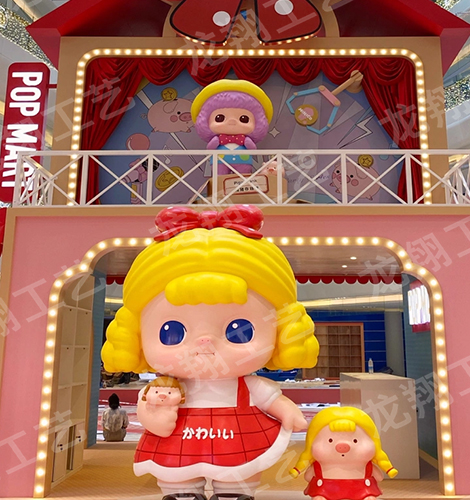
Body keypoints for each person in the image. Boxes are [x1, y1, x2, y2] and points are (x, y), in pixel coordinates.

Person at [101, 204, 318, 500]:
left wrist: (288, 411)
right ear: (136, 333)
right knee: (179, 482)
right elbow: (147, 409)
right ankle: (181, 492)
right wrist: (154, 418)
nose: (205, 342)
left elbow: (272, 400)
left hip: (238, 442)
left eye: (239, 331)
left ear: (281, 330)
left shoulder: (248, 386)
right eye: (172, 332)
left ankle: (233, 493)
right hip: (178, 444)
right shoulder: (164, 386)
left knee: (236, 482)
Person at [291, 407, 398, 500]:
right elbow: (379, 477)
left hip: (362, 489)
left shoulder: (367, 466)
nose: (342, 447)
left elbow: (307, 477)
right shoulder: (318, 467)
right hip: (325, 489)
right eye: (330, 440)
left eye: (355, 440)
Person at [191, 79, 273, 175]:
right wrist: (215, 142)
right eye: (219, 118)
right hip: (219, 161)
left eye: (244, 119)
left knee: (242, 179)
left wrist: (247, 142)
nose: (232, 122)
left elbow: (253, 150)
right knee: (220, 179)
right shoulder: (217, 139)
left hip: (243, 161)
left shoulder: (245, 139)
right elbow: (210, 149)